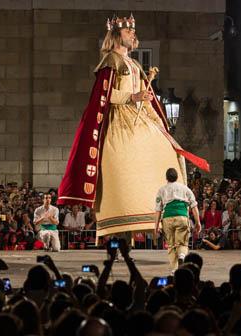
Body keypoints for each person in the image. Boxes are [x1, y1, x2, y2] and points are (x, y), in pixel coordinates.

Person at [57, 14, 208, 240]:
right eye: (128, 31)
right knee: (123, 168)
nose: (133, 34)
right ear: (117, 35)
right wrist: (132, 96)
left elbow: (145, 100)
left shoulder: (135, 64)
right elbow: (105, 96)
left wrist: (158, 122)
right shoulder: (111, 61)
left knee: (166, 152)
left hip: (139, 118)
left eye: (133, 31)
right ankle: (119, 229)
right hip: (119, 121)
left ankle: (157, 213)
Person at [154, 168, 201, 271]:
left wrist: (156, 227)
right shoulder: (185, 189)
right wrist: (198, 223)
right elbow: (194, 207)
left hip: (167, 218)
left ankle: (173, 271)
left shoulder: (161, 190)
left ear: (166, 178)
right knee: (182, 243)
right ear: (177, 177)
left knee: (171, 246)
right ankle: (182, 256)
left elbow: (158, 210)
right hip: (182, 217)